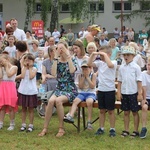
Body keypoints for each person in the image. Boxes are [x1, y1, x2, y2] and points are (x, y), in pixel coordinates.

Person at [38, 40, 78, 137]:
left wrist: (68, 56)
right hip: (59, 87)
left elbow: (72, 71)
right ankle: (45, 128)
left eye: (62, 48)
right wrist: (56, 57)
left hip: (70, 88)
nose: (60, 50)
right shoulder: (57, 61)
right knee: (51, 101)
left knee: (58, 101)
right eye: (58, 48)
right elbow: (54, 73)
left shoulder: (72, 59)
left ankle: (61, 128)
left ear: (66, 49)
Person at [88, 46, 117, 137]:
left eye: (103, 55)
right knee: (101, 110)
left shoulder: (113, 62)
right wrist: (93, 54)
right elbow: (89, 63)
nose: (101, 57)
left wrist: (104, 54)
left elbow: (110, 65)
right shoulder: (100, 63)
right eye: (100, 55)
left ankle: (112, 128)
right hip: (101, 90)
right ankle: (101, 127)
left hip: (110, 90)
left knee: (111, 111)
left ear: (109, 54)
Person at [117, 46, 142, 138]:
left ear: (133, 56)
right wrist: (119, 92)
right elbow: (119, 80)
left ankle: (135, 130)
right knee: (126, 112)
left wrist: (139, 93)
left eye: (128, 55)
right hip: (124, 92)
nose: (126, 57)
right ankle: (126, 130)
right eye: (125, 55)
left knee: (135, 112)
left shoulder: (136, 67)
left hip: (133, 92)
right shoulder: (122, 67)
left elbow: (139, 81)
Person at [64, 60, 97, 130]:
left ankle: (89, 121)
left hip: (91, 93)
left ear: (90, 68)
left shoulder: (93, 75)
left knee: (89, 102)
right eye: (83, 69)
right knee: (75, 101)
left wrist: (87, 77)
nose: (85, 70)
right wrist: (83, 78)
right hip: (82, 93)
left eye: (86, 69)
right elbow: (80, 86)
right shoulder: (80, 75)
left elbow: (92, 86)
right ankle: (71, 115)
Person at [18, 53, 38, 132]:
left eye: (29, 60)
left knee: (31, 109)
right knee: (23, 108)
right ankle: (23, 124)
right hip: (23, 90)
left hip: (31, 91)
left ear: (33, 61)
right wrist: (24, 66)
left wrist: (29, 68)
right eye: (26, 60)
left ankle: (31, 124)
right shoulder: (23, 68)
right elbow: (22, 76)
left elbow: (31, 77)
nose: (27, 62)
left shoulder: (34, 69)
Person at [0, 54, 18, 130]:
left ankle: (12, 123)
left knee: (11, 106)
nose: (1, 62)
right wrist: (1, 68)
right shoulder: (1, 68)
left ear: (7, 59)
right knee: (2, 106)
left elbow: (9, 74)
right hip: (2, 86)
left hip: (10, 87)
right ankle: (1, 123)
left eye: (2, 60)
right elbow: (0, 77)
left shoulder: (14, 67)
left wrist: (6, 65)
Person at [139, 56, 150, 138]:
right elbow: (144, 87)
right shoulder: (143, 74)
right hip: (146, 96)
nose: (149, 67)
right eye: (149, 64)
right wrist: (144, 99)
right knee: (144, 107)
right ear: (146, 65)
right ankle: (143, 128)